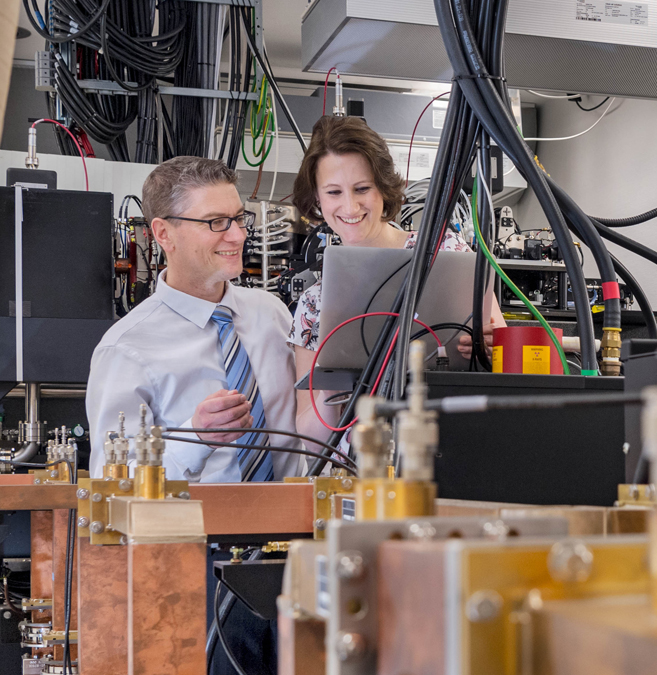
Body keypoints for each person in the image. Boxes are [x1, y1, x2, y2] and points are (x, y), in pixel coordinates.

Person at [287, 115, 504, 448]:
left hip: (450, 446)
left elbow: (507, 362)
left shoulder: (444, 253)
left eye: (362, 189)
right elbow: (311, 443)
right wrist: (329, 386)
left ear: (384, 189)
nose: (349, 206)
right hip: (363, 468)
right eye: (333, 192)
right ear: (317, 198)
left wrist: (493, 350)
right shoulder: (313, 305)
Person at [86, 156, 304, 482]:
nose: (237, 236)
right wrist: (196, 437)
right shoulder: (125, 349)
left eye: (239, 218)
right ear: (164, 234)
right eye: (216, 222)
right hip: (196, 531)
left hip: (294, 527)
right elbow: (113, 481)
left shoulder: (272, 315)